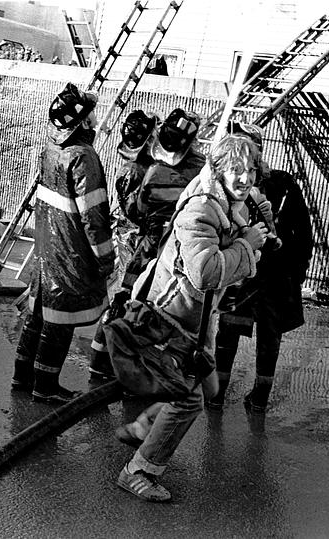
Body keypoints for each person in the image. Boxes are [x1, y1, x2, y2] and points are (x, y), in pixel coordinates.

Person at [115, 135, 268, 502]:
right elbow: (205, 272)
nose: (244, 178)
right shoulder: (201, 208)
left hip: (197, 315)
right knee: (189, 398)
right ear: (217, 170)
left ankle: (145, 425)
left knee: (210, 388)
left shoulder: (228, 200)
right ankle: (139, 470)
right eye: (235, 170)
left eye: (249, 170)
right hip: (174, 315)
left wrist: (251, 230)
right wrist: (248, 246)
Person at [10, 82, 115, 404]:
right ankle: (46, 386)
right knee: (61, 320)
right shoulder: (83, 157)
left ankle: (22, 376)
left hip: (48, 250)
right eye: (91, 113)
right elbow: (93, 216)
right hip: (71, 252)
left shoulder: (50, 151)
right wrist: (105, 257)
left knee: (38, 315)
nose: (96, 118)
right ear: (82, 122)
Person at [88, 108, 206, 381]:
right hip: (182, 252)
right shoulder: (201, 173)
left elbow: (137, 210)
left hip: (148, 245)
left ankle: (103, 364)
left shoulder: (152, 172)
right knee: (168, 311)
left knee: (128, 300)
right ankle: (149, 370)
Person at [205, 122, 314, 413]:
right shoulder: (283, 183)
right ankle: (258, 400)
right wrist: (297, 274)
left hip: (244, 275)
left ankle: (217, 396)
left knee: (228, 337)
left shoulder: (230, 187)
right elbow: (303, 234)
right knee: (267, 338)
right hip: (270, 277)